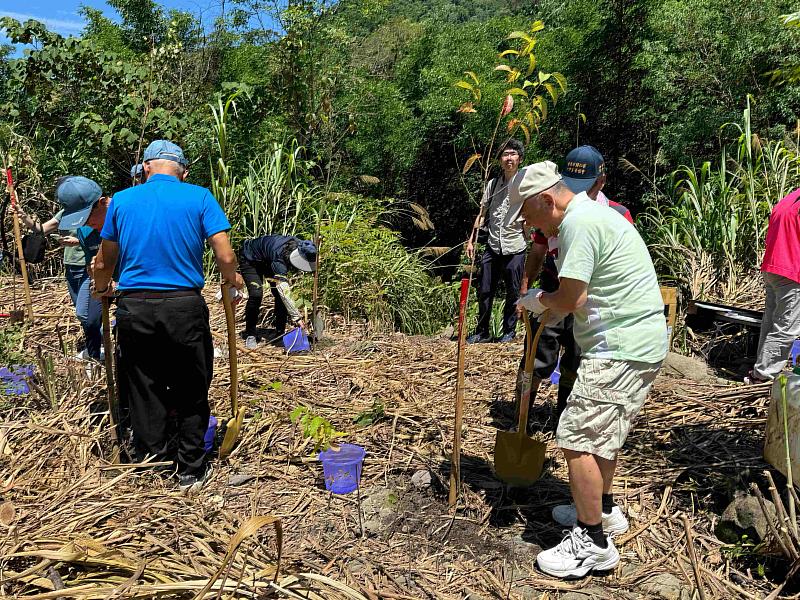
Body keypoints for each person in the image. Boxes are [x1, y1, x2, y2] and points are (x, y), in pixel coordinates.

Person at [515, 161, 667, 578]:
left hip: (620, 347)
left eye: (530, 217)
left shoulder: (579, 223)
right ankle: (603, 509)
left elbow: (572, 299)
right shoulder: (595, 214)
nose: (532, 229)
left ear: (548, 199)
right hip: (637, 342)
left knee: (577, 436)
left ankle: (592, 542)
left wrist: (537, 301)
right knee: (603, 433)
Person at [92, 140, 243, 491]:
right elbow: (224, 253)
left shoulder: (124, 200)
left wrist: (101, 286)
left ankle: (152, 459)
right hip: (183, 305)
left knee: (144, 383)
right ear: (183, 172)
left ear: (146, 168)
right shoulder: (200, 197)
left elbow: (104, 260)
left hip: (135, 307)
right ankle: (190, 469)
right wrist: (232, 280)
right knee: (192, 383)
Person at [517, 146, 633, 430]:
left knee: (576, 359)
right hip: (551, 286)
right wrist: (526, 291)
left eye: (587, 186)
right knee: (535, 356)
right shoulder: (553, 209)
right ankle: (520, 416)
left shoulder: (617, 214)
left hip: (589, 300)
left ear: (601, 182)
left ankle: (563, 419)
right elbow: (537, 251)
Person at [14, 176, 111, 360]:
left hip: (89, 267)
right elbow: (41, 229)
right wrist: (23, 217)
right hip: (71, 267)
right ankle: (94, 349)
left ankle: (96, 353)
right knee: (84, 315)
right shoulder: (67, 213)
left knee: (87, 314)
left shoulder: (109, 214)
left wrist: (80, 245)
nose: (85, 223)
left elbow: (106, 243)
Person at [465, 139, 528, 343]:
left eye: (513, 154)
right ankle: (482, 331)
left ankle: (509, 331)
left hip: (515, 245)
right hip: (493, 245)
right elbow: (482, 213)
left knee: (512, 291)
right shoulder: (493, 185)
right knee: (484, 290)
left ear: (519, 158)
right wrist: (471, 240)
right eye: (505, 154)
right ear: (500, 159)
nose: (509, 158)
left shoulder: (525, 184)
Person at [746, 187, 800, 383]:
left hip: (773, 267)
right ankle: (764, 376)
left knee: (771, 323)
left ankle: (760, 370)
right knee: (787, 327)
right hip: (792, 271)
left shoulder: (791, 198)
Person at [238, 235, 317, 342]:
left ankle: (280, 333)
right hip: (250, 258)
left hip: (268, 260)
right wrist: (297, 317)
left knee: (279, 297)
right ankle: (250, 334)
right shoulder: (280, 258)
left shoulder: (306, 247)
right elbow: (283, 290)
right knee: (256, 294)